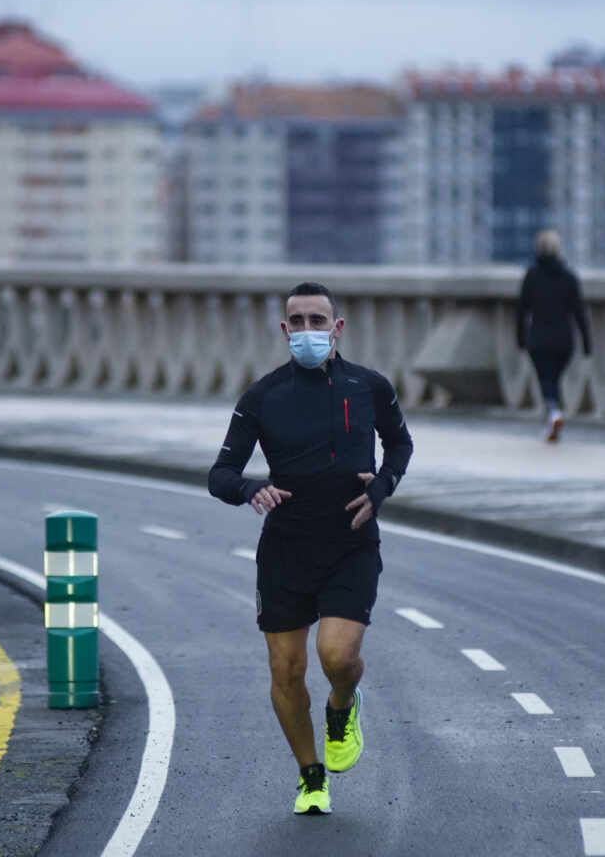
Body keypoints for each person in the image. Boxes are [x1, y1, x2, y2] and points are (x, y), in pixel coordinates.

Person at [208, 281, 413, 816]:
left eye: (316, 321)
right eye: (295, 322)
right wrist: (251, 488)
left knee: (338, 657)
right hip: (286, 549)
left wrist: (382, 485)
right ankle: (310, 775)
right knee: (287, 672)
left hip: (351, 541)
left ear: (336, 328)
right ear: (284, 330)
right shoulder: (262, 396)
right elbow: (220, 473)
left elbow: (400, 444)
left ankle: (343, 707)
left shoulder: (369, 386)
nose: (306, 331)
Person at [516, 229, 591, 443]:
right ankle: (553, 416)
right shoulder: (569, 277)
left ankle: (553, 414)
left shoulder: (532, 276)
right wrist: (587, 342)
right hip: (564, 341)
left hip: (539, 339)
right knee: (554, 379)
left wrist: (520, 338)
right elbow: (579, 312)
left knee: (546, 380)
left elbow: (521, 310)